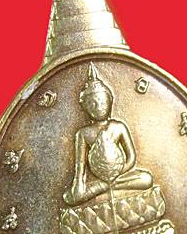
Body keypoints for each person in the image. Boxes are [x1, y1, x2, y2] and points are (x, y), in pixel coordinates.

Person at [63, 63, 153, 206]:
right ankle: (106, 187)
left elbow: (131, 158)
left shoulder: (118, 127)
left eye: (102, 101)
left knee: (146, 178)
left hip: (119, 176)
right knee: (70, 197)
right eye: (92, 104)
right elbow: (80, 167)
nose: (99, 107)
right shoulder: (83, 134)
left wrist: (116, 174)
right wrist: (78, 185)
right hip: (100, 180)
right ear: (85, 108)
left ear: (110, 101)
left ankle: (109, 186)